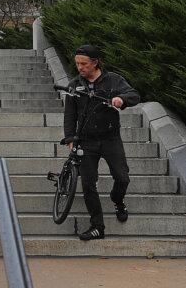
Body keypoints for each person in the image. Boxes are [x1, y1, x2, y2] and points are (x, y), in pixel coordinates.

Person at [61, 43, 140, 241]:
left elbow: (134, 95)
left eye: (84, 64)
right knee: (88, 184)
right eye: (77, 63)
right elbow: (69, 115)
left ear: (95, 63)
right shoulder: (74, 85)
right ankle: (97, 226)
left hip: (110, 138)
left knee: (122, 177)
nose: (80, 67)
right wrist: (70, 137)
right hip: (86, 141)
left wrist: (121, 99)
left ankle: (117, 199)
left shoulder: (113, 80)